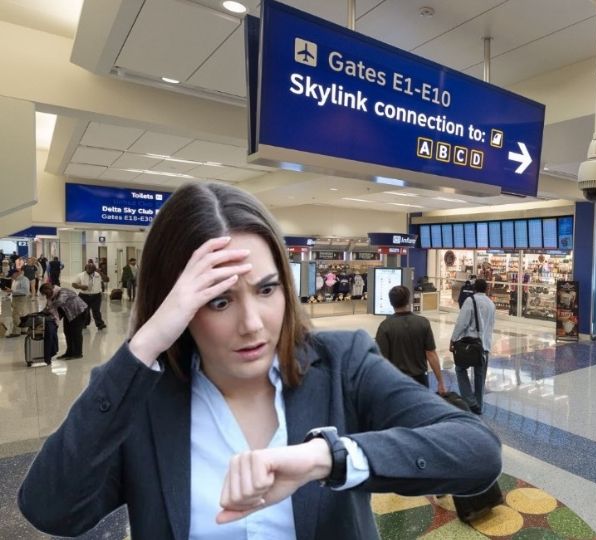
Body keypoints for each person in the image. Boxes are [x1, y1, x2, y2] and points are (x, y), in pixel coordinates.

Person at [18, 182, 500, 539]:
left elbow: (476, 450)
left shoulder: (341, 365)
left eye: (267, 290)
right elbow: (50, 508)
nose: (252, 324)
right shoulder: (143, 401)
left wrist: (326, 459)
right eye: (219, 300)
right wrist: (144, 345)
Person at [375, 285, 446, 393]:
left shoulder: (385, 327)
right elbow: (431, 354)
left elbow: (381, 360)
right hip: (420, 381)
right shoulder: (423, 323)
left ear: (391, 303)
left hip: (396, 382)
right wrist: (440, 382)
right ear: (409, 300)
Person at [450, 278, 496, 414]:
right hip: (484, 346)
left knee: (460, 369)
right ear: (487, 289)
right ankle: (478, 406)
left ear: (474, 288)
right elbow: (491, 326)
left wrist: (453, 339)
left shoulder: (470, 301)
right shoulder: (491, 304)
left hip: (470, 345)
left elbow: (462, 323)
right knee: (480, 377)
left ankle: (470, 400)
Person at [38, 283, 88, 359]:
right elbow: (49, 306)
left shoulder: (62, 291)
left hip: (79, 312)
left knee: (76, 333)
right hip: (69, 314)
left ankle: (78, 353)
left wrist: (48, 308)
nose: (46, 295)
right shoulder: (52, 296)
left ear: (49, 289)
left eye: (46, 293)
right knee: (67, 332)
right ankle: (69, 353)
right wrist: (43, 312)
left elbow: (59, 302)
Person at [72, 262, 107, 330]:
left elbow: (107, 280)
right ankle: (84, 323)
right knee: (85, 311)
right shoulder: (81, 275)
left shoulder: (98, 274)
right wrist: (80, 286)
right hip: (84, 296)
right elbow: (73, 284)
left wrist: (100, 273)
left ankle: (100, 324)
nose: (90, 270)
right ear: (86, 268)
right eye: (89, 268)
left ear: (94, 269)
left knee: (96, 310)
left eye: (92, 268)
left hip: (96, 296)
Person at [4, 269, 30, 338]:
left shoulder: (24, 279)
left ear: (16, 273)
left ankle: (16, 332)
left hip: (21, 299)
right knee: (22, 315)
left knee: (16, 315)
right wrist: (9, 292)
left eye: (12, 275)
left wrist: (12, 290)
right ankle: (23, 330)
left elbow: (25, 291)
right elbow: (14, 290)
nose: (11, 277)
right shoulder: (15, 280)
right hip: (15, 298)